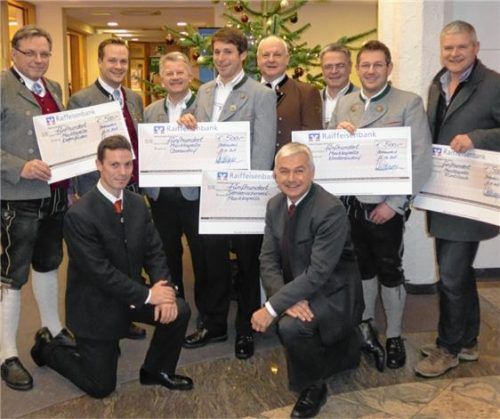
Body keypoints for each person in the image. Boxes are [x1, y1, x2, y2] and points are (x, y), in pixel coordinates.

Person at [29, 136, 193, 398]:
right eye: (114, 165)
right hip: (96, 307)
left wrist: (164, 290)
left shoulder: (137, 204)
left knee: (179, 310)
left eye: (128, 164)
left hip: (130, 297)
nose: (122, 172)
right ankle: (48, 348)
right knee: (101, 387)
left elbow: (154, 252)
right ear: (99, 165)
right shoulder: (79, 214)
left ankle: (156, 370)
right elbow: (99, 273)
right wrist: (149, 295)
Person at [330, 40, 432, 371]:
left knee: (389, 269)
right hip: (352, 207)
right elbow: (329, 151)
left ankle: (395, 335)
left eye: (378, 65)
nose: (371, 71)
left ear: (389, 68)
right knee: (361, 268)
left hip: (387, 208)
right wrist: (337, 134)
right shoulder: (345, 103)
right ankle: (366, 328)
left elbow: (420, 160)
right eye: (365, 65)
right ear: (357, 69)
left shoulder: (408, 103)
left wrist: (396, 204)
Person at [180, 27, 276, 359]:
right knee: (212, 262)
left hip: (244, 193)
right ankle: (214, 324)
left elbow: (263, 149)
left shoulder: (260, 94)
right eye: (217, 52)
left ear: (243, 56)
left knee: (248, 264)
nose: (221, 58)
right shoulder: (204, 91)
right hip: (211, 193)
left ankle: (246, 328)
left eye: (228, 52)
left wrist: (249, 192)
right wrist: (188, 121)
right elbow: (200, 136)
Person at [252, 143, 363, 419]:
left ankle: (314, 387)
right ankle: (349, 345)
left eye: (299, 171)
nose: (291, 178)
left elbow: (318, 273)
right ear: (275, 175)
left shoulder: (330, 209)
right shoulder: (274, 205)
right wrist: (284, 299)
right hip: (300, 288)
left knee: (290, 327)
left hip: (333, 292)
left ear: (312, 172)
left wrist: (272, 308)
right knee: (291, 317)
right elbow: (267, 259)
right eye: (284, 171)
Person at [415, 21, 500, 378]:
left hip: (470, 197)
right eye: (448, 47)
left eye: (461, 47)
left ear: (475, 47)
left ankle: (447, 348)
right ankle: (467, 341)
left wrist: (477, 137)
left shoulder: (493, 84)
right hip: (443, 193)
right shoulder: (438, 82)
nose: (454, 53)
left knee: (450, 275)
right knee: (458, 272)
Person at [1, 25, 74, 391]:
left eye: (44, 53)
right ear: (13, 53)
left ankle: (54, 328)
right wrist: (19, 166)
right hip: (17, 198)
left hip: (54, 194)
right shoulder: (2, 86)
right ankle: (7, 354)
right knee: (11, 277)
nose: (38, 59)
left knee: (49, 264)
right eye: (30, 53)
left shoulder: (54, 87)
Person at [67, 37, 146, 340]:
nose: (118, 66)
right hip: (97, 190)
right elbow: (73, 149)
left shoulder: (134, 98)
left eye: (123, 61)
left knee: (129, 254)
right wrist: (74, 190)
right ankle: (102, 323)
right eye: (112, 60)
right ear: (99, 62)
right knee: (103, 257)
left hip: (130, 187)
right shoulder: (81, 100)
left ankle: (126, 318)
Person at [143, 52, 204, 307]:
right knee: (167, 255)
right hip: (161, 197)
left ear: (190, 76)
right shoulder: (150, 111)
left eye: (180, 72)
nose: (175, 77)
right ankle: (175, 306)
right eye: (169, 73)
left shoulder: (204, 108)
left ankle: (205, 312)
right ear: (160, 78)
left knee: (202, 257)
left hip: (196, 195)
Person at [257, 35, 322, 151]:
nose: (271, 60)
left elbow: (312, 141)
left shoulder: (306, 93)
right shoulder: (246, 93)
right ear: (258, 60)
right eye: (265, 55)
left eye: (277, 55)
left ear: (287, 59)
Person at [319, 43, 358, 128]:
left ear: (350, 67)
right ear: (322, 69)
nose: (334, 71)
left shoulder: (364, 99)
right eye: (328, 66)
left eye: (340, 66)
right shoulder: (312, 99)